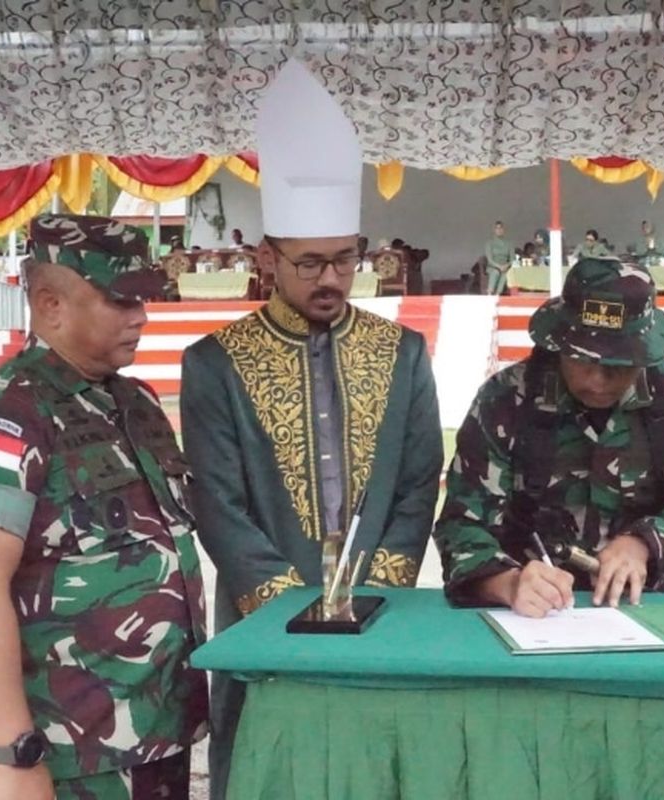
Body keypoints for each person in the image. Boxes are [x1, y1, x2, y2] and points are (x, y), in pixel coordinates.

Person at [180, 61, 443, 800]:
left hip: (380, 612)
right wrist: (283, 607)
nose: (331, 279)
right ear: (267, 260)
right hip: (262, 620)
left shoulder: (401, 352)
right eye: (310, 264)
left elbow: (422, 476)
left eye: (345, 259)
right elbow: (217, 501)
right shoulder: (216, 363)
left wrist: (382, 585)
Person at [0, 214, 208, 800]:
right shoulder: (3, 417)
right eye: (121, 301)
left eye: (145, 301)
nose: (142, 317)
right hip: (68, 752)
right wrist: (13, 754)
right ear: (52, 305)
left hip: (157, 732)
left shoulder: (134, 404)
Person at [434, 258, 664, 616]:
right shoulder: (506, 399)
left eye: (617, 366)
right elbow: (461, 524)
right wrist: (507, 584)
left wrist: (644, 542)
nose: (597, 381)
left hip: (642, 610)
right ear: (559, 345)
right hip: (525, 616)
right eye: (582, 361)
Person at [484, 220, 514, 295]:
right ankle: (490, 293)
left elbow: (512, 259)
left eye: (501, 228)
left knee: (505, 274)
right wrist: (499, 266)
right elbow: (489, 259)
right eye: (497, 228)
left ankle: (498, 294)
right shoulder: (489, 243)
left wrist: (507, 265)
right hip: (493, 267)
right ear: (494, 230)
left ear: (504, 230)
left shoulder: (509, 243)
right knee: (496, 272)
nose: (499, 230)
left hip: (505, 266)